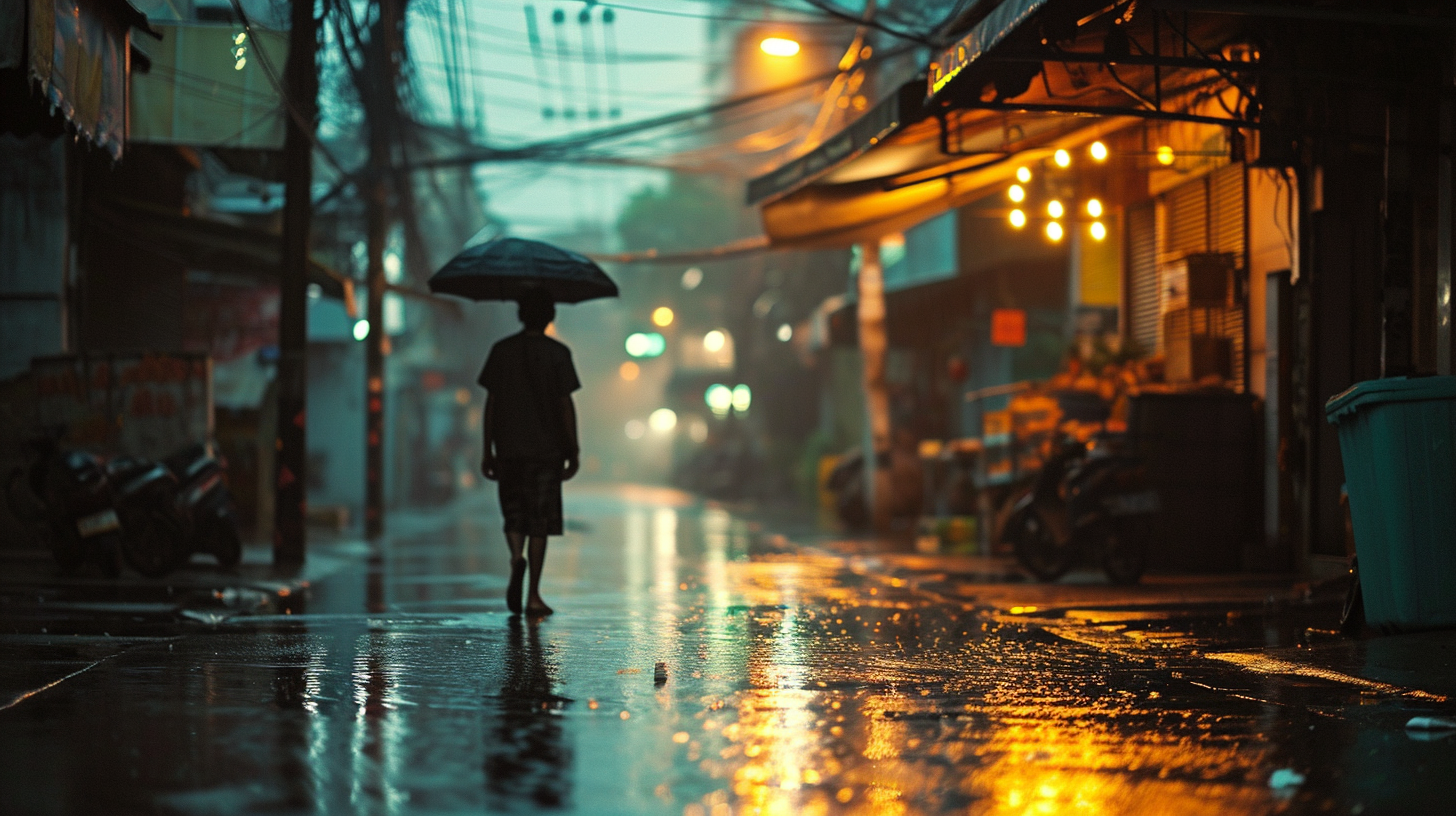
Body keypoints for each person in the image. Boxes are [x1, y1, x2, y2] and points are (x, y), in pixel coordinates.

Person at [479, 289, 581, 616]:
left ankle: (515, 557)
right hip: (547, 451)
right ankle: (534, 594)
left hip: (508, 448)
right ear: (550, 317)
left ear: (520, 315)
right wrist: (573, 449)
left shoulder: (501, 350)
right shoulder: (558, 353)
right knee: (539, 521)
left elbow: (491, 405)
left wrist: (487, 449)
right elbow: (566, 404)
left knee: (514, 512)